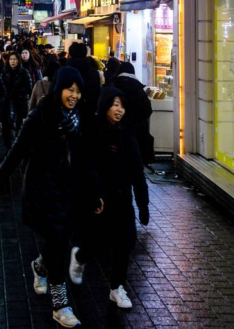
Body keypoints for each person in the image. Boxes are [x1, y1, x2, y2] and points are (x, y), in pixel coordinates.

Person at [0, 68, 100, 328]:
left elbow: (86, 158)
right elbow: (19, 147)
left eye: (78, 91)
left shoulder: (80, 118)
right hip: (42, 190)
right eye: (70, 89)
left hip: (69, 189)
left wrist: (94, 191)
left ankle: (40, 266)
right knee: (58, 243)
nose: (74, 95)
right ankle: (60, 305)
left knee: (59, 241)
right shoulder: (41, 115)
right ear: (59, 88)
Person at [74, 88, 150, 310]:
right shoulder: (92, 131)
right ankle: (80, 257)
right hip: (100, 199)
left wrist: (143, 203)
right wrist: (95, 194)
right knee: (99, 243)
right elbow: (88, 167)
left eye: (122, 106)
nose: (119, 110)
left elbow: (137, 169)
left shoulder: (126, 133)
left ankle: (116, 288)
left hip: (122, 198)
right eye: (115, 104)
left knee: (126, 242)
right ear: (105, 105)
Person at [112, 61, 155, 166]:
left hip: (115, 130)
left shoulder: (112, 84)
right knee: (135, 163)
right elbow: (147, 111)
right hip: (137, 131)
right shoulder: (139, 89)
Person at [66, 42, 102, 118]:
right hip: (89, 113)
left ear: (70, 54)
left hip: (68, 113)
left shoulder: (64, 71)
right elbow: (96, 93)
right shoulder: (94, 72)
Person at [2, 51, 34, 135]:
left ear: (18, 60)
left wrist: (16, 91)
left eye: (15, 59)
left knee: (19, 123)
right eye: (11, 59)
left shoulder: (24, 72)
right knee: (9, 122)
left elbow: (29, 87)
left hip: (21, 100)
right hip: (8, 101)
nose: (12, 61)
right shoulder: (5, 72)